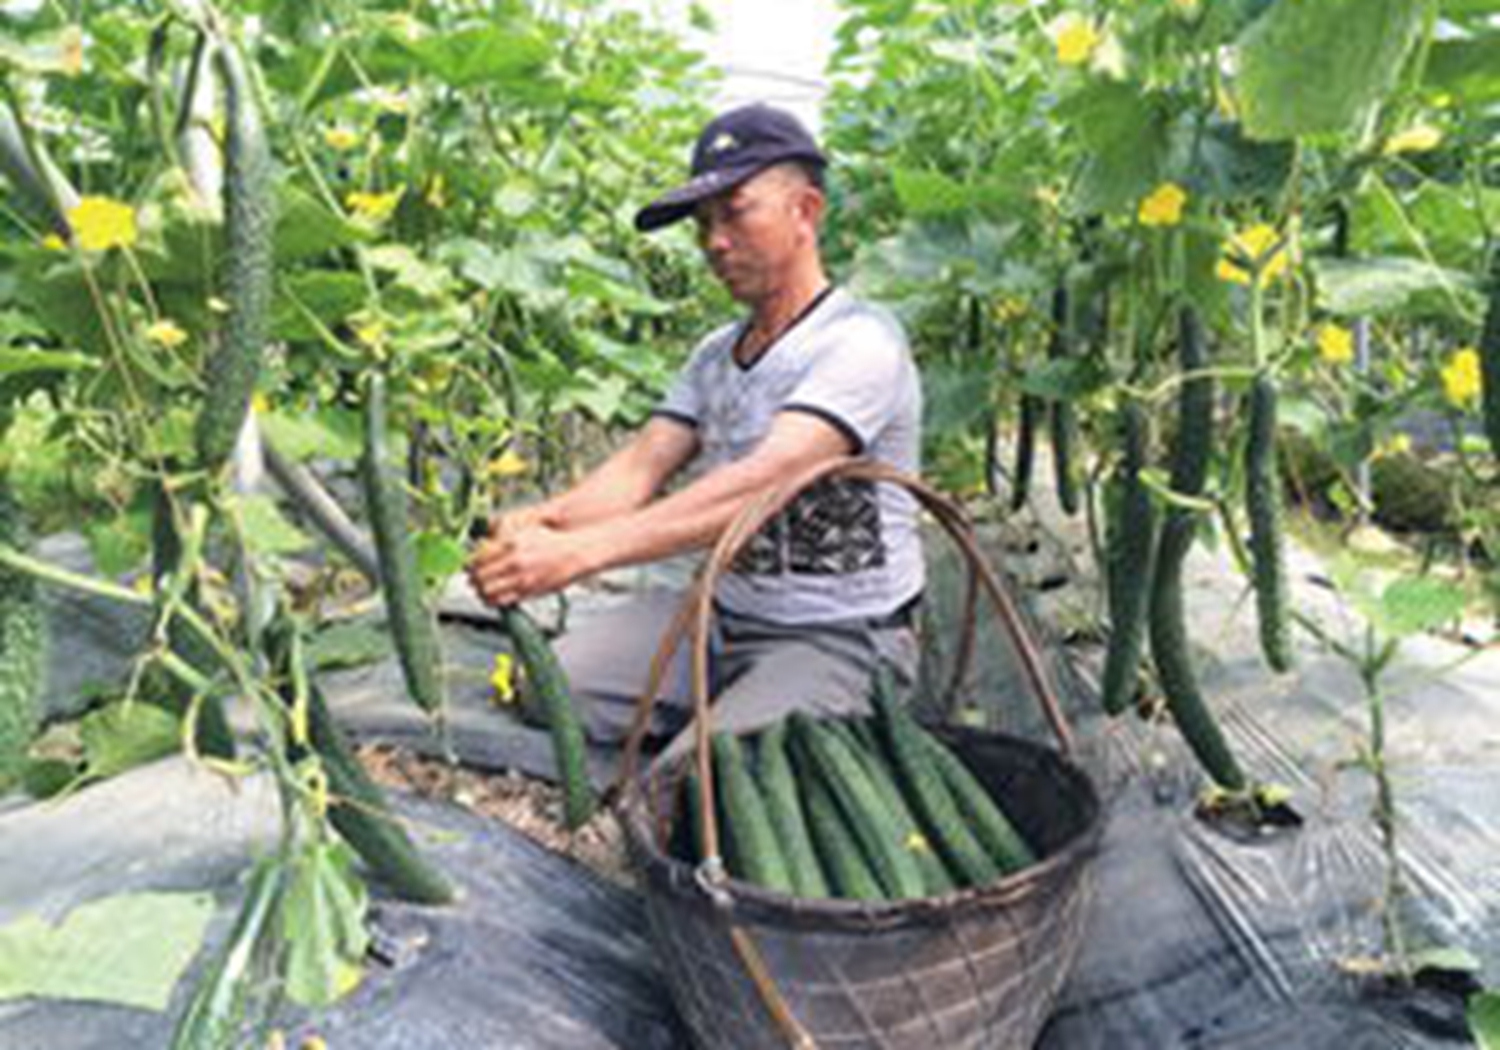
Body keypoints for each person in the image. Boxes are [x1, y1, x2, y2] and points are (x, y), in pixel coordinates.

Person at [466, 103, 923, 756]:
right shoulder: (715, 354)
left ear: (806, 211)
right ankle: (734, 711)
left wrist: (582, 553)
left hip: (841, 634)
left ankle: (738, 726)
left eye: (735, 213)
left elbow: (766, 483)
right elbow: (640, 467)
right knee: (546, 689)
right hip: (719, 616)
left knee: (719, 783)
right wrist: (546, 522)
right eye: (703, 223)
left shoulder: (859, 342)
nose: (714, 242)